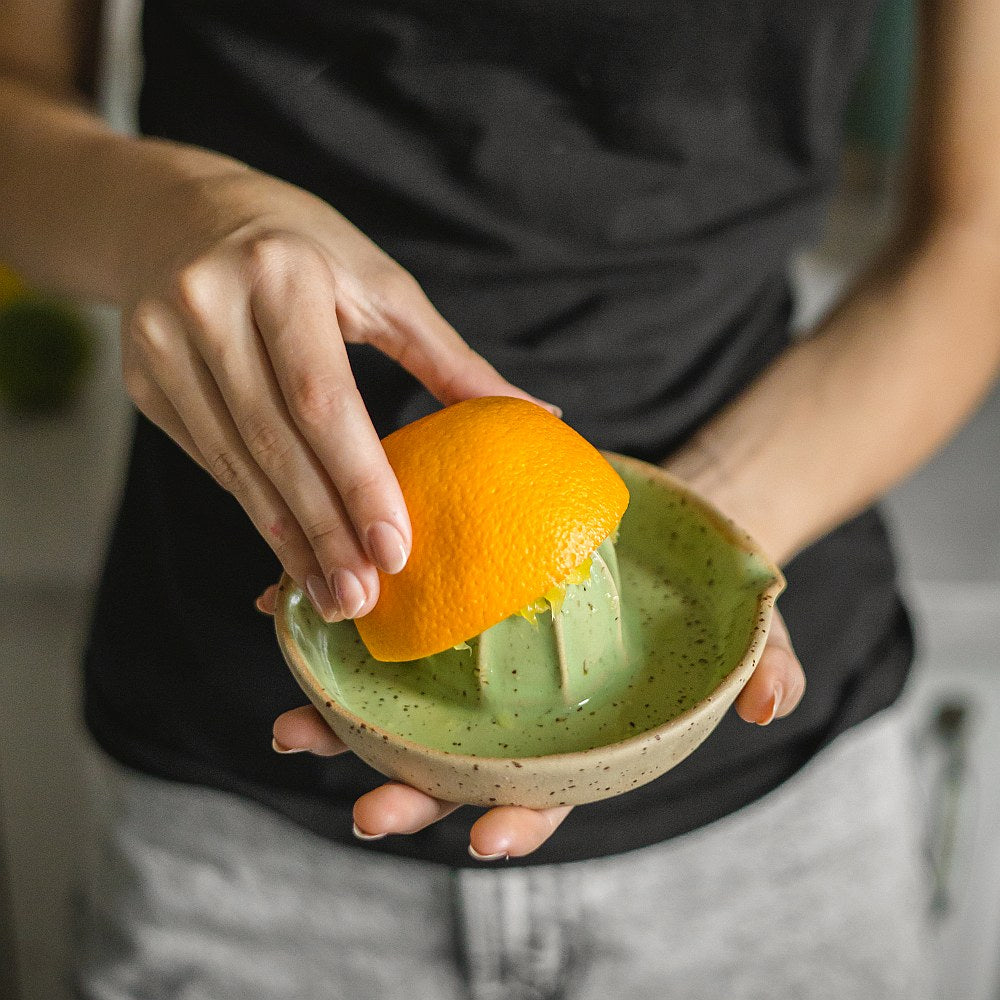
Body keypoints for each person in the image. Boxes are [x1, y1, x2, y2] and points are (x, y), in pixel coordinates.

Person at [2, 0, 998, 996]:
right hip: (237, 833)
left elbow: (975, 233)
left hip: (767, 837)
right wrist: (173, 216)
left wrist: (699, 538)